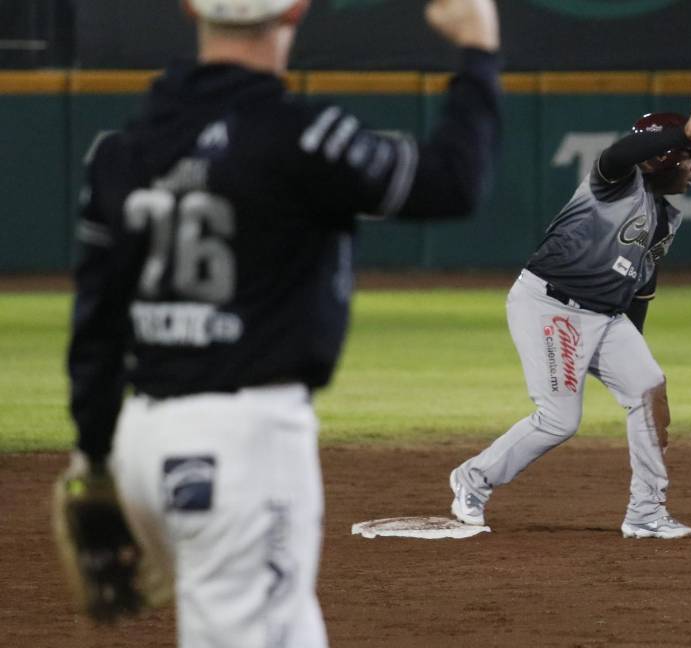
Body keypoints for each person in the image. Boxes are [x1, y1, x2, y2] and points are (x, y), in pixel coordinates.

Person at [61, 0, 501, 644]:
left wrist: (94, 458)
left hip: (142, 443)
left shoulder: (124, 149)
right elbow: (453, 182)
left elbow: (95, 329)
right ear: (295, 12)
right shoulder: (301, 136)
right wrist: (479, 54)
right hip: (241, 445)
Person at [448, 88, 691, 540]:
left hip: (606, 316)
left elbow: (641, 289)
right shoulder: (613, 180)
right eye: (688, 156)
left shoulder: (667, 217)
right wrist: (682, 132)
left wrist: (629, 357)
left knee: (648, 389)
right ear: (663, 157)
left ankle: (646, 513)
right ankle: (472, 479)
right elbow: (620, 151)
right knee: (559, 420)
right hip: (551, 304)